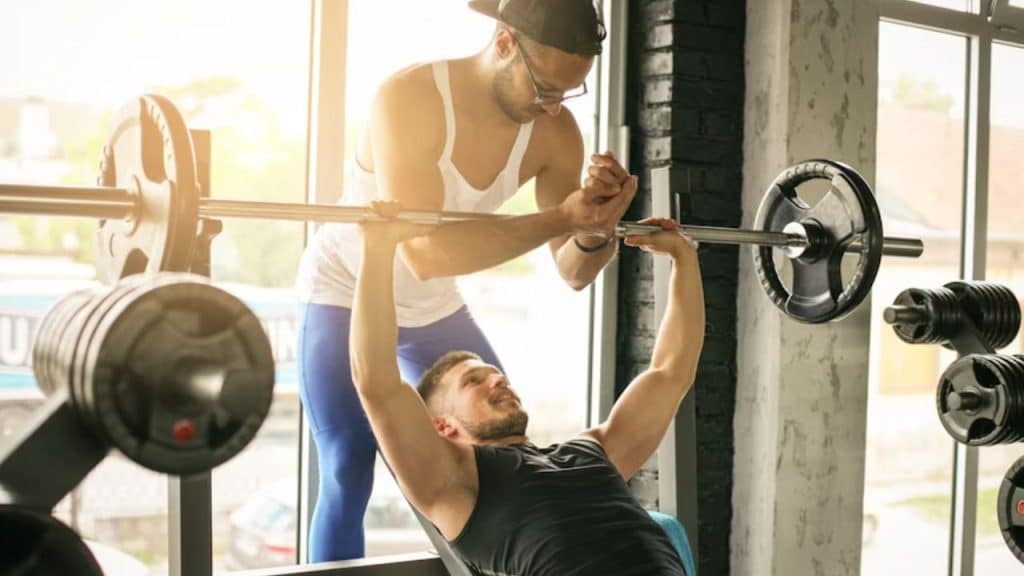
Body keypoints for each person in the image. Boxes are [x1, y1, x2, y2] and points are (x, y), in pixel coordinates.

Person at [295, 0, 636, 561]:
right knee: (348, 463)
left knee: (495, 459)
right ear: (503, 42)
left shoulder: (553, 132)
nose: (552, 107)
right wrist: (563, 218)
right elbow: (425, 252)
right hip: (348, 290)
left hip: (434, 305)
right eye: (545, 87)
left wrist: (598, 225)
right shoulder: (410, 99)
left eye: (567, 93)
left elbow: (574, 270)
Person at [350, 201, 705, 575]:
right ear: (442, 426)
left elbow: (670, 372)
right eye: (473, 381)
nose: (497, 379)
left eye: (493, 373)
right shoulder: (455, 482)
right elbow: (377, 382)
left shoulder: (592, 450)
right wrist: (378, 249)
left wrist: (684, 258)